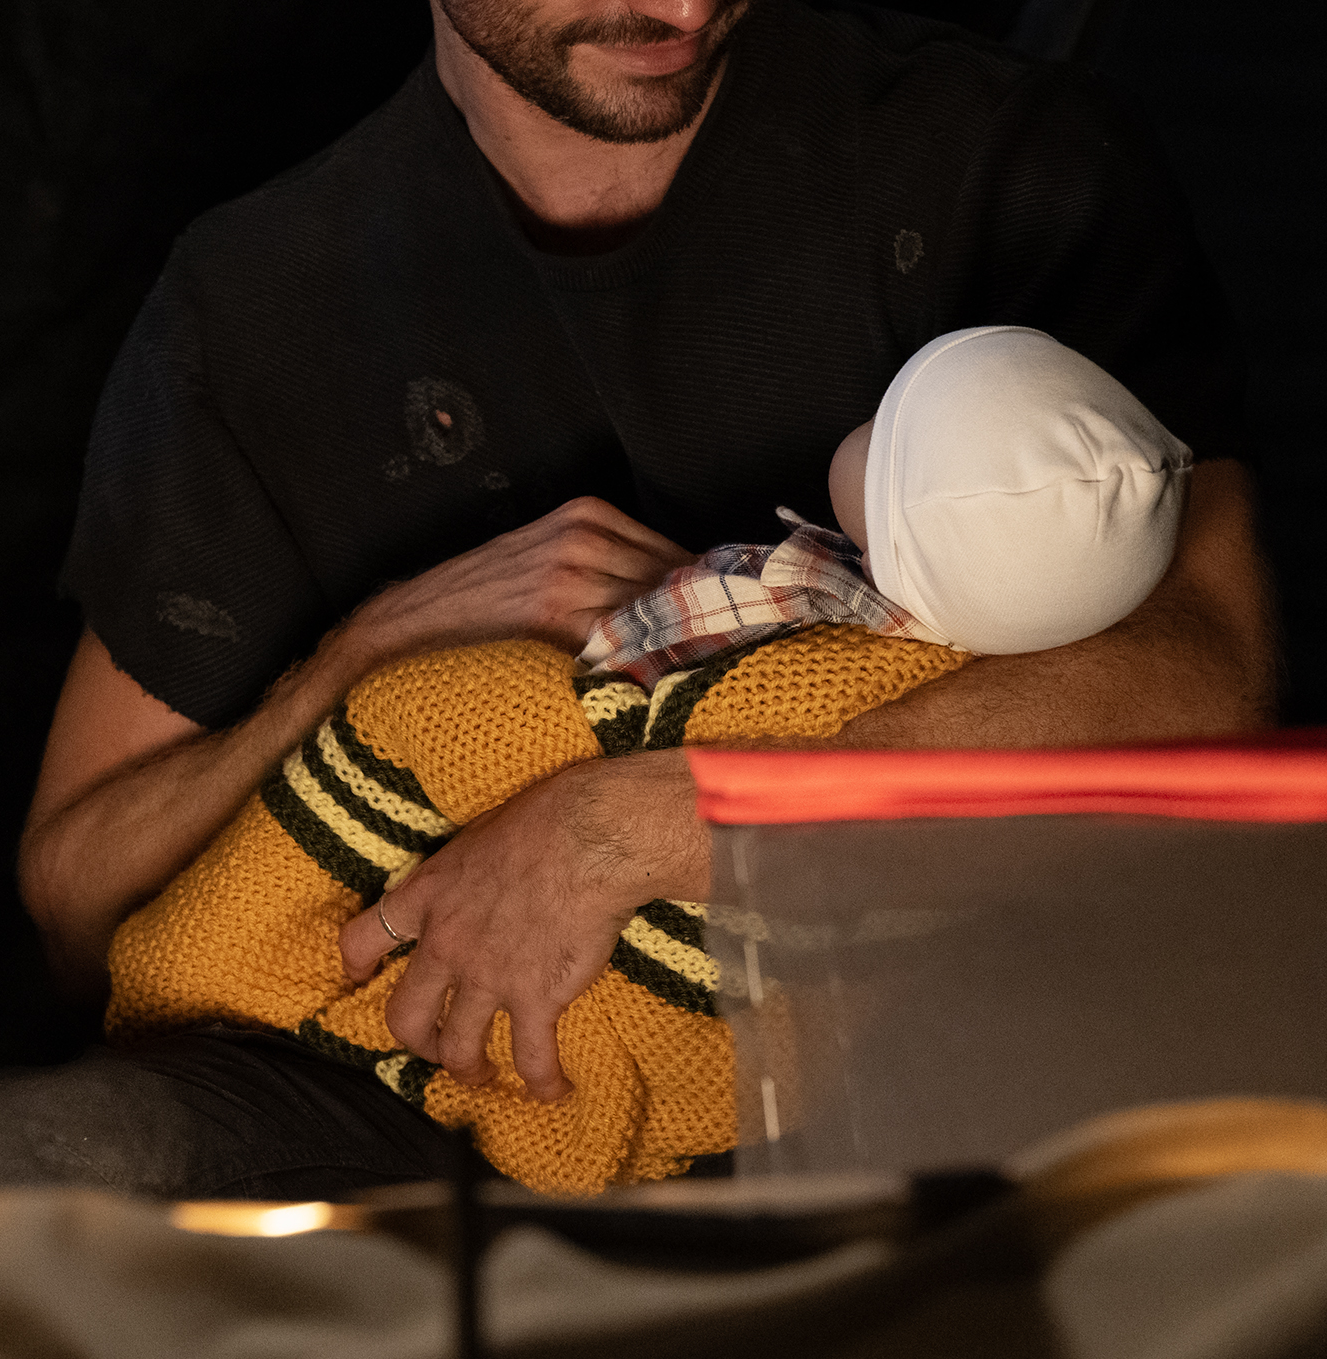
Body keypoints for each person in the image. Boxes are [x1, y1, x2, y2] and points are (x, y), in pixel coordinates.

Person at [0, 0, 1276, 1200]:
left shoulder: (997, 171)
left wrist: (660, 818)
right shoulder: (259, 308)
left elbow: (1205, 666)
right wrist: (361, 657)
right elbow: (77, 886)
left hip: (912, 1051)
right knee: (21, 1155)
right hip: (434, 1090)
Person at [99, 325, 1194, 1196]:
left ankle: (202, 965)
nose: (860, 419)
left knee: (433, 714)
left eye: (887, 428)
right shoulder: (1001, 702)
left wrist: (529, 684)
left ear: (907, 526)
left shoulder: (820, 637)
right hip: (781, 1063)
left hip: (666, 955)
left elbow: (642, 693)